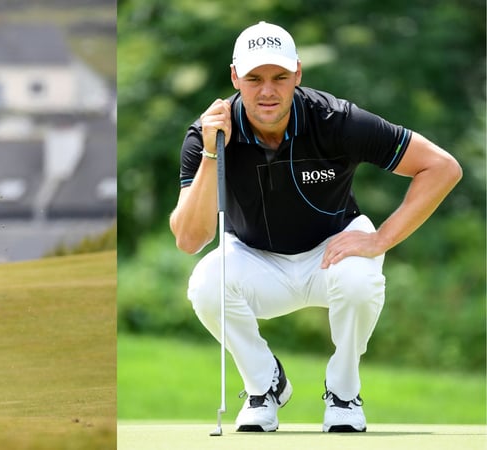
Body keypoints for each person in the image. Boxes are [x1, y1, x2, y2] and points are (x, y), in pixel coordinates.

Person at [169, 22, 461, 433]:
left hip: (332, 252)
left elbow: (441, 167)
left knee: (360, 282)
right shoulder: (207, 135)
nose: (267, 91)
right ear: (234, 77)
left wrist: (382, 238)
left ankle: (343, 391)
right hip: (254, 257)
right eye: (253, 79)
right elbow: (190, 239)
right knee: (204, 284)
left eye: (279, 78)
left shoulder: (336, 120)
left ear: (298, 74)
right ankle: (264, 386)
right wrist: (212, 155)